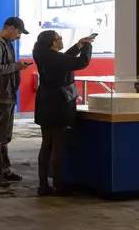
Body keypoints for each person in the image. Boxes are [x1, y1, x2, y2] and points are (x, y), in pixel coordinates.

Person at [32, 30, 93, 196]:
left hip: (44, 102)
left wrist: (78, 45)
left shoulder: (41, 54)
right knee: (58, 146)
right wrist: (87, 46)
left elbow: (63, 59)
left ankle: (43, 185)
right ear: (53, 43)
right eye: (59, 39)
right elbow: (81, 62)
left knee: (46, 144)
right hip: (59, 104)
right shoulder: (55, 58)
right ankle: (59, 185)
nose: (61, 40)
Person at [0, 17, 29, 187]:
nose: (18, 36)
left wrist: (17, 66)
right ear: (10, 28)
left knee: (4, 134)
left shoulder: (6, 43)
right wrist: (16, 67)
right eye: (18, 32)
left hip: (7, 95)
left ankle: (4, 169)